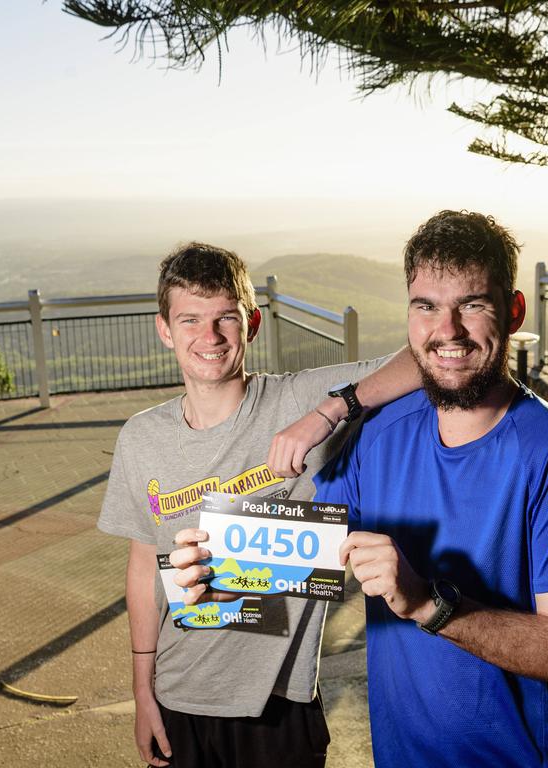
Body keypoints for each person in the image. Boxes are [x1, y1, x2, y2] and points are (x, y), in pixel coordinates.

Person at [316, 211, 548, 767]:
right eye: (427, 306)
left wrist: (427, 604)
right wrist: (214, 576)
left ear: (513, 311)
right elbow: (305, 550)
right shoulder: (379, 436)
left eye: (473, 304)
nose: (448, 330)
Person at [97, 242, 419, 767]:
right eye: (190, 320)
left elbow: (425, 353)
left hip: (279, 707)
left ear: (251, 324)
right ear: (164, 330)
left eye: (226, 318)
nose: (209, 337)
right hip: (179, 697)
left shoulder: (298, 401)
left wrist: (331, 410)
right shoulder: (141, 437)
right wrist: (142, 691)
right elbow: (142, 570)